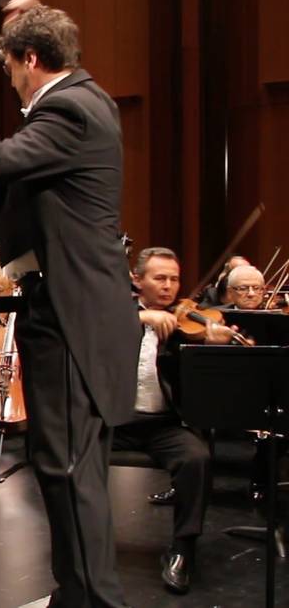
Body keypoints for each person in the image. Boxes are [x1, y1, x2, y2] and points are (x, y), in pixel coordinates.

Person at [0, 0, 141, 606]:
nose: (14, 83)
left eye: (13, 66)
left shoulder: (70, 108)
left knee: (69, 472)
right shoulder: (82, 103)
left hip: (73, 318)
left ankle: (93, 601)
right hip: (72, 312)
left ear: (30, 59)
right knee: (71, 471)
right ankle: (79, 595)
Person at [113, 247, 220, 594]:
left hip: (163, 425)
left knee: (197, 458)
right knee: (73, 452)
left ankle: (182, 550)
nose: (169, 286)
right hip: (115, 420)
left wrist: (212, 344)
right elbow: (93, 325)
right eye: (160, 278)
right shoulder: (115, 313)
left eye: (174, 279)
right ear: (137, 280)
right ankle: (86, 543)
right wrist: (140, 318)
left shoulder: (185, 323)